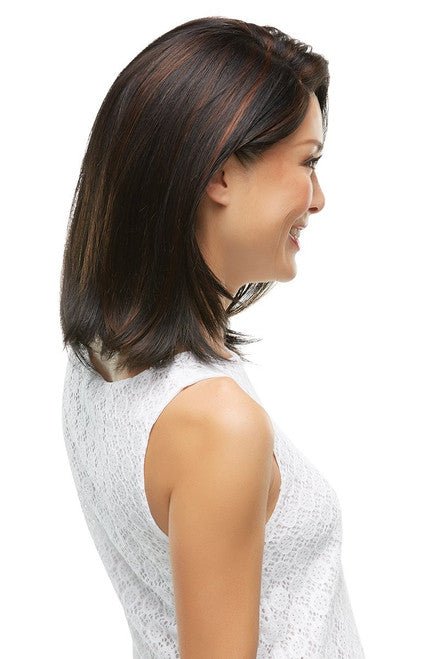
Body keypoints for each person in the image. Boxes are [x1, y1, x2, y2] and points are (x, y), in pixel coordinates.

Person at [60, 16, 365, 658]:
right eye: (307, 162)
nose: (318, 199)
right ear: (220, 173)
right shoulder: (216, 422)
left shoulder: (100, 355)